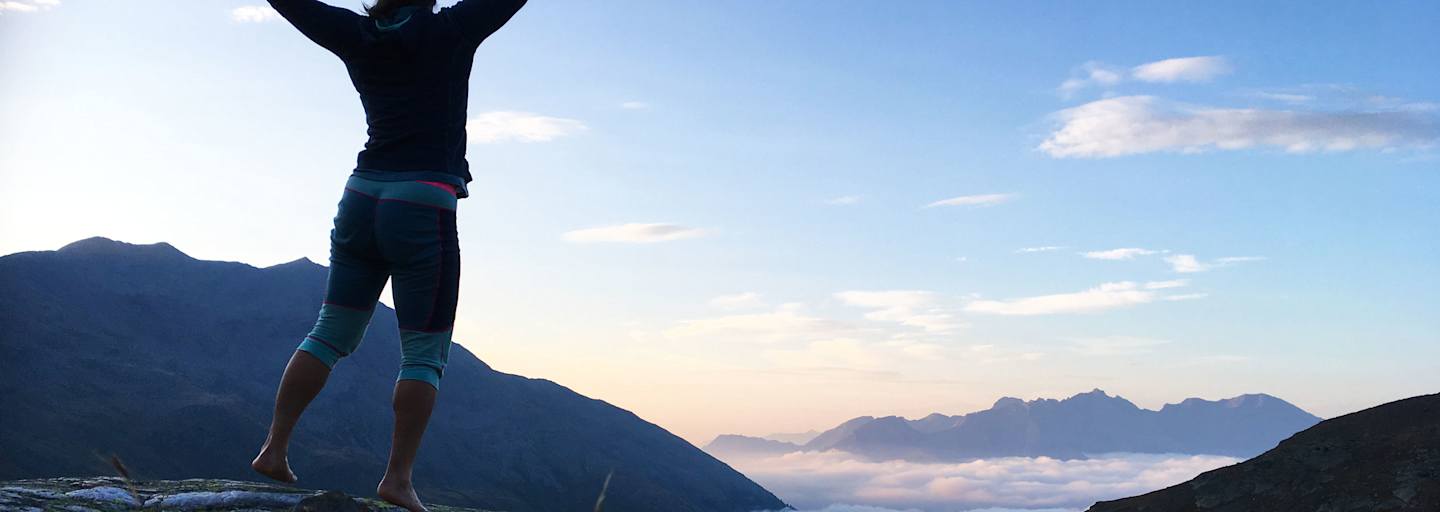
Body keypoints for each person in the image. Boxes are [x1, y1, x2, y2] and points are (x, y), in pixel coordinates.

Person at [250, 0, 526, 511]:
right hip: (421, 204)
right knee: (424, 353)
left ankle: (274, 448)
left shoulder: (357, 34)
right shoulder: (451, 30)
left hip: (360, 199)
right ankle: (397, 479)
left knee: (330, 332)